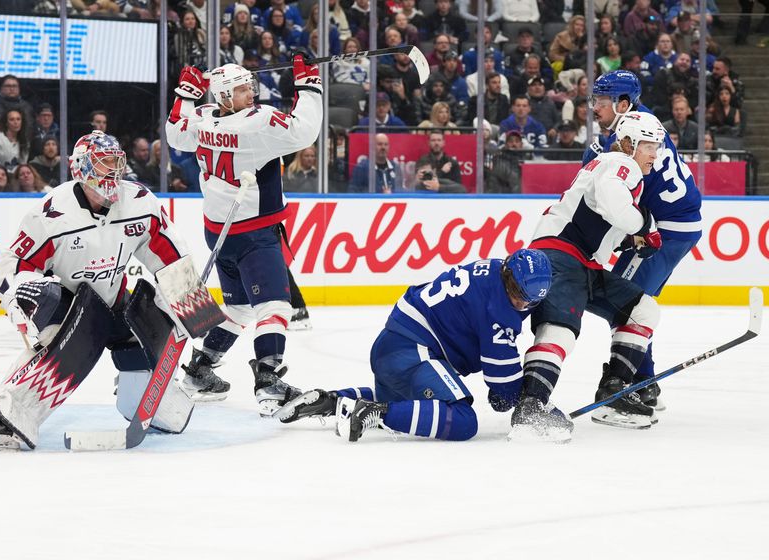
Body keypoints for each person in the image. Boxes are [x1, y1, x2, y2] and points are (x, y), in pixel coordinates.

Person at [0, 131, 199, 450]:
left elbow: (167, 249)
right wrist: (20, 296)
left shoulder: (138, 201)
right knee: (63, 343)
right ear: (82, 169)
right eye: (104, 164)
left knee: (152, 334)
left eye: (117, 163)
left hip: (116, 302)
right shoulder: (52, 212)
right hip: (68, 305)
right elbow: (12, 264)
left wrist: (190, 300)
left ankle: (148, 403)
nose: (114, 172)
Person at [165, 57, 322, 409]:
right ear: (223, 96)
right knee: (276, 307)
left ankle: (200, 369)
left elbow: (176, 131)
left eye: (250, 85)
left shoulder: (203, 117)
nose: (250, 93)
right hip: (255, 232)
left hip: (219, 232)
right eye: (240, 89)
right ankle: (269, 381)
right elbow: (305, 130)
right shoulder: (258, 124)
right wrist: (309, 84)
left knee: (238, 310)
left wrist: (186, 93)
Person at [274, 249, 557, 443]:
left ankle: (330, 400)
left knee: (409, 403)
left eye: (530, 301)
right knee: (463, 420)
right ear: (509, 275)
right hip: (414, 350)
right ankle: (374, 412)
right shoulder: (500, 311)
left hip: (394, 344)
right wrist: (523, 401)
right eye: (517, 294)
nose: (520, 304)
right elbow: (502, 391)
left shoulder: (493, 268)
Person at [520, 112, 664, 439]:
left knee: (642, 309)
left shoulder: (606, 165)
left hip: (583, 262)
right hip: (562, 256)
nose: (654, 154)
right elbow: (614, 204)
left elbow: (601, 216)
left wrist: (630, 239)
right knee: (559, 330)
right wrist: (645, 226)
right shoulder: (620, 163)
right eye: (648, 146)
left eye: (657, 146)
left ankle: (614, 391)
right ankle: (530, 407)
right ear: (629, 143)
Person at [584, 70, 702, 419]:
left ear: (623, 103)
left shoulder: (626, 136)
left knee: (625, 306)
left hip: (664, 231)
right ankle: (645, 382)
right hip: (678, 226)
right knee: (634, 305)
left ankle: (632, 387)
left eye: (601, 102)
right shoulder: (643, 121)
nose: (594, 109)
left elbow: (609, 195)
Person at [0, 108, 29, 173]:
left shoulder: (24, 141)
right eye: (12, 119)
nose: (16, 122)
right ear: (6, 123)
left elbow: (23, 165)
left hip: (16, 178)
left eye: (18, 119)